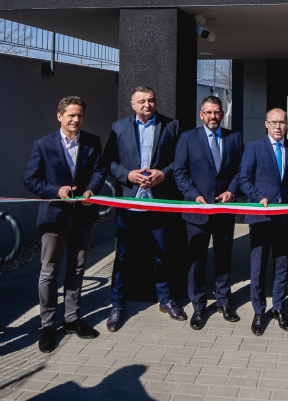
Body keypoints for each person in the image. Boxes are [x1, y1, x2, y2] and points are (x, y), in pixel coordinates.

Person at [24, 96, 107, 353]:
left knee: (77, 268)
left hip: (82, 216)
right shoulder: (43, 144)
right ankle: (47, 325)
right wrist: (55, 191)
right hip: (54, 217)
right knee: (49, 272)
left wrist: (91, 190)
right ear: (59, 116)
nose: (76, 120)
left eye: (80, 115)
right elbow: (31, 180)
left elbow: (99, 171)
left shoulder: (92, 141)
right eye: (71, 115)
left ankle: (71, 319)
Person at [103, 86, 182, 331]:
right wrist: (127, 175)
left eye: (151, 100)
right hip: (130, 202)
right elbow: (108, 161)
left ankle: (166, 299)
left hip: (159, 201)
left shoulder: (172, 126)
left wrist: (163, 173)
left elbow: (180, 160)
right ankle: (117, 304)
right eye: (142, 101)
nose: (147, 105)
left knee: (163, 254)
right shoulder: (118, 128)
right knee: (123, 256)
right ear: (132, 104)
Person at [173, 96, 243, 330]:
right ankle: (199, 306)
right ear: (201, 115)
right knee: (197, 261)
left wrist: (231, 191)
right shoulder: (187, 138)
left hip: (224, 209)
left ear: (222, 114)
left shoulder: (234, 138)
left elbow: (240, 170)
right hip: (197, 210)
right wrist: (194, 195)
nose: (213, 117)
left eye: (217, 112)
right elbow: (180, 172)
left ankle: (224, 301)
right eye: (209, 113)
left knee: (224, 258)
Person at [238, 108, 288, 336]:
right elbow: (244, 180)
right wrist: (258, 197)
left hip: (285, 218)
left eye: (282, 123)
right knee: (258, 266)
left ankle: (278, 307)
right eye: (274, 123)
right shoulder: (254, 147)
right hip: (261, 217)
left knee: (282, 264)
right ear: (266, 124)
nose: (278, 127)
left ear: (287, 124)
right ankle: (259, 311)